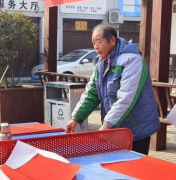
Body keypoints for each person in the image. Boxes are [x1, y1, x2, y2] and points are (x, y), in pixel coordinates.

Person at [66, 24, 160, 155]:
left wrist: (107, 124)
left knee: (133, 165)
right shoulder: (100, 63)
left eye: (99, 41)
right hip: (114, 128)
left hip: (136, 129)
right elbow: (91, 93)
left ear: (112, 40)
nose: (95, 46)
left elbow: (126, 97)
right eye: (93, 43)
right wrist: (76, 118)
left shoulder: (132, 60)